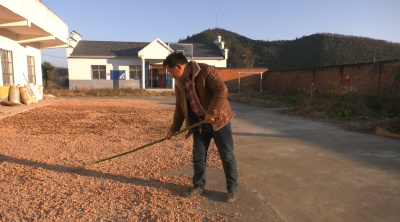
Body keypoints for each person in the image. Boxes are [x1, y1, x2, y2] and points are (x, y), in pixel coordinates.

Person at [163, 52, 238, 203]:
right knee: (198, 157)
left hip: (218, 121)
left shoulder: (205, 71)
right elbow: (180, 107)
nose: (171, 76)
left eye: (171, 71)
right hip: (199, 123)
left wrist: (212, 112)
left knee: (226, 155)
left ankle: (232, 189)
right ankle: (198, 185)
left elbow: (222, 90)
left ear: (179, 66)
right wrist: (174, 128)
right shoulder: (179, 83)